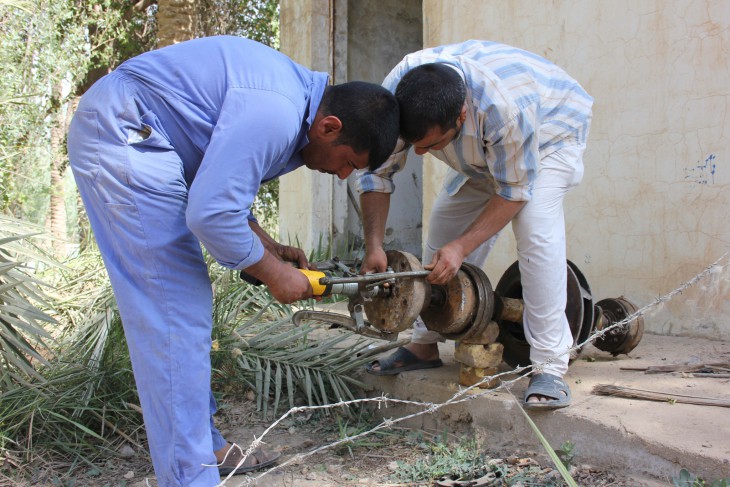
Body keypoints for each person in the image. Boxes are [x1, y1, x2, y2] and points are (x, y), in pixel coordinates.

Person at [67, 36, 399, 486]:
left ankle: (202, 446)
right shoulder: (276, 112)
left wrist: (264, 245)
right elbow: (209, 214)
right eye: (347, 162)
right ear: (329, 127)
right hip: (125, 130)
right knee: (174, 310)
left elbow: (218, 179)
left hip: (145, 132)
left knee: (181, 309)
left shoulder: (293, 105)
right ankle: (191, 476)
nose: (342, 174)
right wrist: (274, 272)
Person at [357, 40, 592, 410]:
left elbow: (514, 192)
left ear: (461, 116)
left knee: (535, 227)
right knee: (443, 228)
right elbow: (376, 177)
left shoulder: (505, 110)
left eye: (430, 146)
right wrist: (373, 246)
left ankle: (548, 363)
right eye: (414, 144)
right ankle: (424, 343)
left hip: (550, 132)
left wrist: (462, 248)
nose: (419, 154)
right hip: (486, 152)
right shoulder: (393, 97)